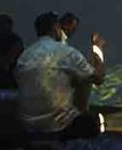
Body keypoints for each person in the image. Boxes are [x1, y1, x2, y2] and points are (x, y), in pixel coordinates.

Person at [14, 11, 106, 140]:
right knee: (92, 120)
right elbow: (99, 78)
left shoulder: (25, 56)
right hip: (59, 126)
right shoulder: (66, 53)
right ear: (57, 28)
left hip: (28, 125)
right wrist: (98, 48)